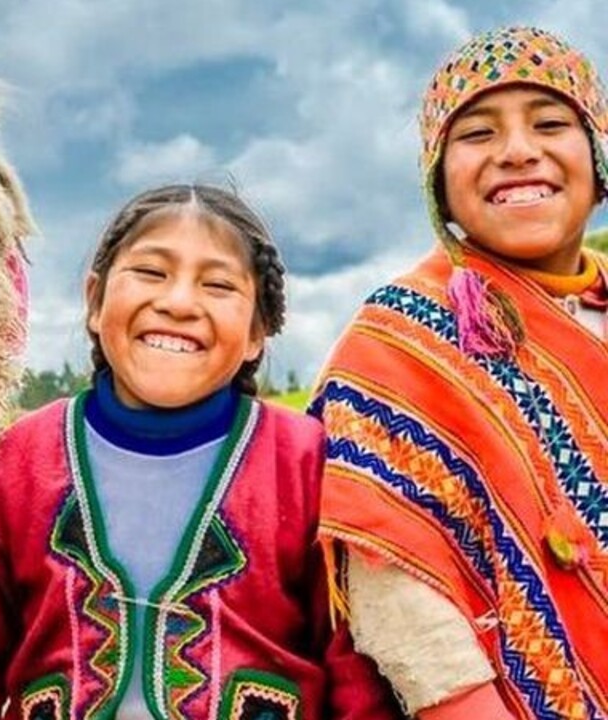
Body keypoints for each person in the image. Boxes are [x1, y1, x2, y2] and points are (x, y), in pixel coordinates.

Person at [0, 184, 399, 719]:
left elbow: (354, 674)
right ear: (95, 300)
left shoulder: (305, 463)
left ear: (258, 333)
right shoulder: (23, 459)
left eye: (217, 285)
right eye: (151, 272)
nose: (179, 302)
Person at [312, 25, 608, 720]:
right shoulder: (398, 341)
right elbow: (395, 579)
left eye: (550, 123)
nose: (516, 151)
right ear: (439, 184)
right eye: (477, 134)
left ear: (597, 161)